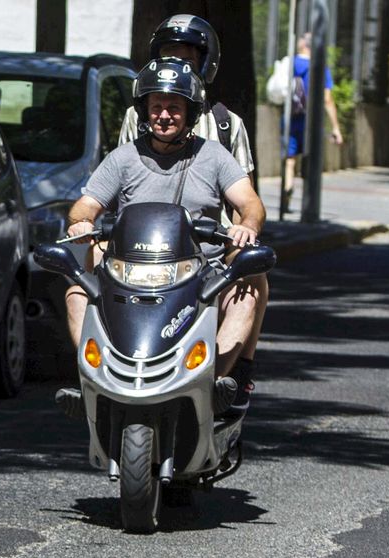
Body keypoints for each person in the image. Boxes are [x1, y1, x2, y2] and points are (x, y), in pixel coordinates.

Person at [57, 57, 266, 420]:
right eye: (156, 107)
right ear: (144, 111)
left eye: (174, 107)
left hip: (201, 269)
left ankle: (216, 381)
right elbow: (83, 207)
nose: (164, 115)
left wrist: (245, 225)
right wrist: (81, 223)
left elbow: (250, 203)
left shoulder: (214, 155)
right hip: (129, 268)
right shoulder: (123, 158)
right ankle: (92, 377)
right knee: (76, 287)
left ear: (190, 112)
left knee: (250, 286)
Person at [112, 14, 266, 415]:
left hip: (210, 238)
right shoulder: (137, 116)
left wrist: (245, 229)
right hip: (145, 238)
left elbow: (244, 199)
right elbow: (120, 174)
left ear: (206, 63)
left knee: (255, 276)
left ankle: (233, 374)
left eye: (187, 58)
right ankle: (103, 367)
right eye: (168, 56)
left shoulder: (227, 125)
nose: (176, 66)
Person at [279, 32, 343, 214]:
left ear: (302, 45)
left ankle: (286, 192)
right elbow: (327, 100)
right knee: (309, 160)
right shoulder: (321, 68)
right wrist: (336, 127)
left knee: (289, 161)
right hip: (310, 121)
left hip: (290, 117)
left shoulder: (289, 63)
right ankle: (309, 205)